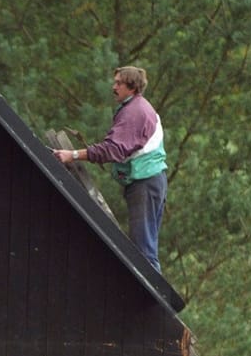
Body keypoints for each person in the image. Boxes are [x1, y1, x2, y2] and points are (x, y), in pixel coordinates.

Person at [53, 65, 168, 273]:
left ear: (131, 87)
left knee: (144, 254)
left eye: (118, 83)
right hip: (150, 181)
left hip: (145, 183)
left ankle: (151, 303)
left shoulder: (134, 112)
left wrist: (74, 155)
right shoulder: (138, 107)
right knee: (146, 249)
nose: (113, 87)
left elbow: (112, 149)